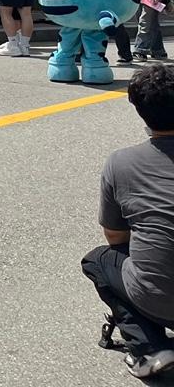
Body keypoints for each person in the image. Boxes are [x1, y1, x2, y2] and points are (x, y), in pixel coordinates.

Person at [83, 64, 174, 379]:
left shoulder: (121, 163)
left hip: (163, 300)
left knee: (99, 260)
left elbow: (116, 239)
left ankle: (149, 346)